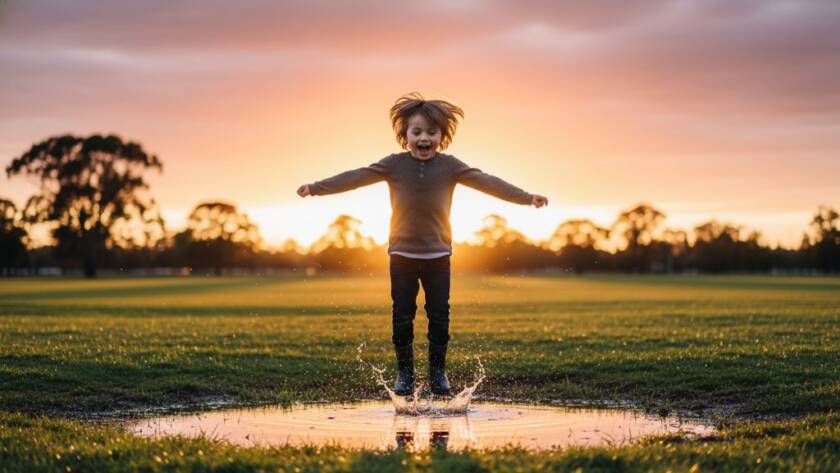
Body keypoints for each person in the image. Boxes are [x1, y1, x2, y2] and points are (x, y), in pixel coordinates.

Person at [297, 92, 548, 396]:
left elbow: (488, 181)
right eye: (417, 132)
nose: (424, 138)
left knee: (439, 315)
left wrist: (526, 197)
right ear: (405, 135)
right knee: (402, 316)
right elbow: (356, 177)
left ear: (442, 135)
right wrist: (316, 188)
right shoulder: (393, 165)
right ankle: (405, 373)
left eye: (431, 132)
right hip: (401, 255)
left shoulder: (451, 166)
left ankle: (438, 373)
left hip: (438, 257)